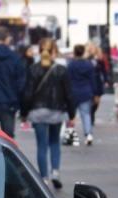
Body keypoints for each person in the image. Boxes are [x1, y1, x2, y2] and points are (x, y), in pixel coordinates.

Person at [24, 38, 73, 189]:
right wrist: (72, 114)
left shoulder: (33, 69)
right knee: (54, 143)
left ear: (40, 51)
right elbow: (68, 94)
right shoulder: (61, 70)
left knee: (42, 145)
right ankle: (55, 173)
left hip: (37, 112)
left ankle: (44, 177)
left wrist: (24, 112)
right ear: (55, 52)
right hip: (56, 111)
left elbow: (27, 93)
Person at [67, 45, 103, 145]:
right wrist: (95, 93)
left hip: (73, 92)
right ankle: (88, 134)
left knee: (70, 115)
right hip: (86, 92)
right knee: (86, 114)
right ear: (83, 52)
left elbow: (67, 80)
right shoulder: (89, 65)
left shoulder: (71, 65)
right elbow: (93, 80)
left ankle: (70, 135)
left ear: (74, 52)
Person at [20, 44, 38, 130]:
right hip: (26, 86)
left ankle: (27, 121)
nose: (33, 52)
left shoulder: (31, 60)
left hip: (30, 85)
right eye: (30, 50)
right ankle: (25, 121)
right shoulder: (24, 61)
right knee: (27, 104)